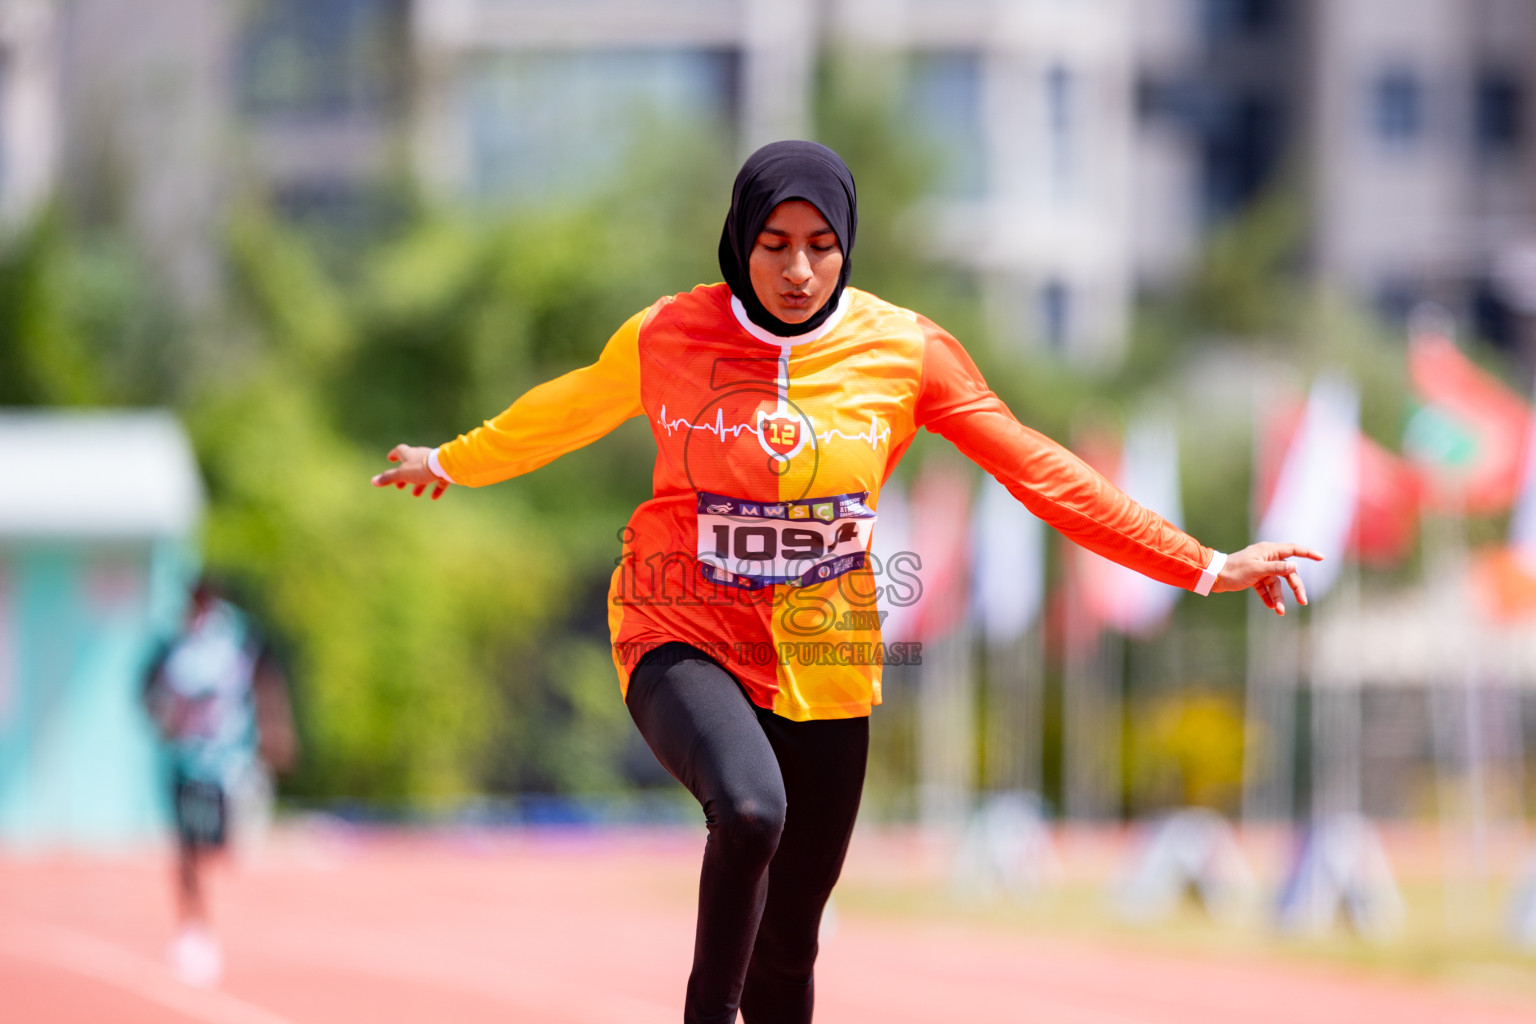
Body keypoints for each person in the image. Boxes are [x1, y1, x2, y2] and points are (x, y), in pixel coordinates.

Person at [371, 140, 1319, 1023]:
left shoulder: (906, 352)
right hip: (680, 626)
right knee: (748, 812)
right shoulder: (669, 333)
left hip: (824, 659)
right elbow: (568, 408)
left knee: (790, 949)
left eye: (821, 247)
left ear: (846, 246)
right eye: (775, 245)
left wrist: (1202, 563)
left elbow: (1036, 467)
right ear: (741, 240)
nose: (796, 270)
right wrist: (453, 460)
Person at [142, 578, 297, 987]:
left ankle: (211, 910)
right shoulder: (170, 640)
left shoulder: (239, 636)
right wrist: (164, 717)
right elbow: (144, 690)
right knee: (186, 847)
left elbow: (267, 676)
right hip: (183, 759)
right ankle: (194, 927)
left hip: (229, 759)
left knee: (218, 843)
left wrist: (276, 726)